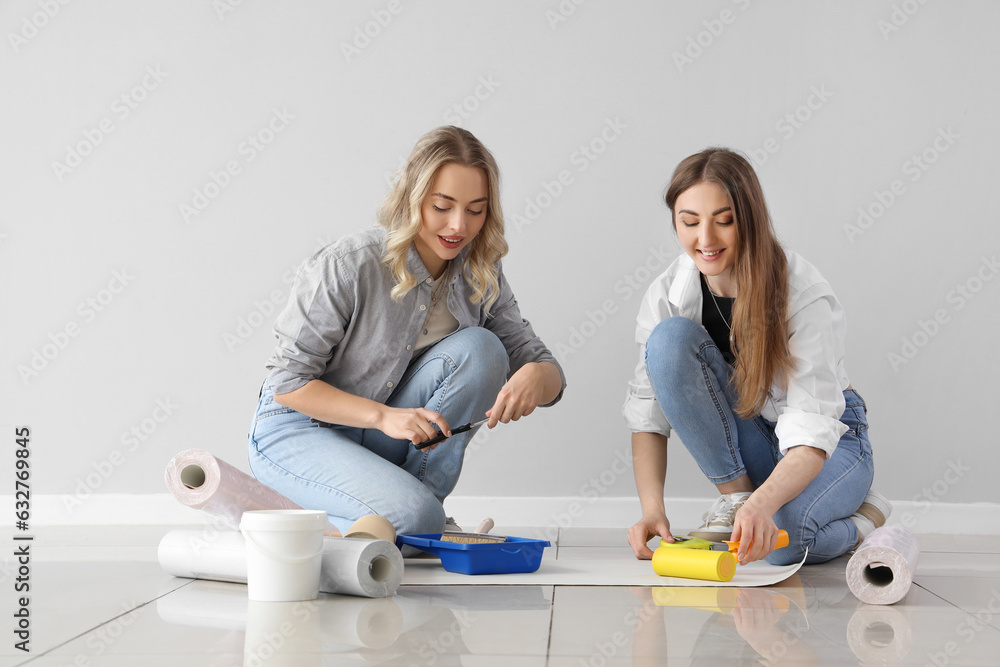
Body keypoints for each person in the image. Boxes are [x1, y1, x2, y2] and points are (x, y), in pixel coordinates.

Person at [248, 126, 565, 537]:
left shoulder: (480, 270)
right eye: (442, 206)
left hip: (377, 437)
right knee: (418, 524)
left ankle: (414, 515)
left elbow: (545, 371)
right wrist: (383, 416)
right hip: (298, 430)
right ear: (413, 200)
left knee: (483, 348)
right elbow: (287, 384)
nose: (458, 226)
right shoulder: (349, 264)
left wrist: (540, 375)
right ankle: (408, 522)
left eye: (475, 210)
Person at [624, 147, 890, 566]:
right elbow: (647, 414)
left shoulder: (802, 293)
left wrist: (763, 510)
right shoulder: (668, 292)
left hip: (830, 443)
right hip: (758, 437)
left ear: (749, 219)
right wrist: (652, 509)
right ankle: (739, 498)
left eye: (724, 221)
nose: (705, 239)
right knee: (668, 340)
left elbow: (809, 435)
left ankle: (866, 520)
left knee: (783, 545)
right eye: (689, 222)